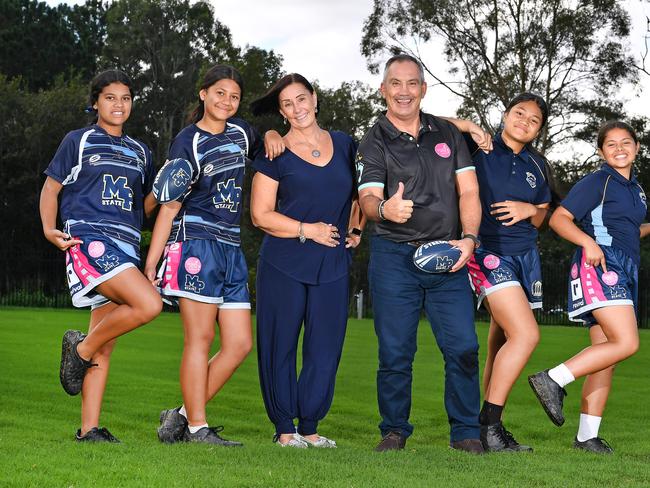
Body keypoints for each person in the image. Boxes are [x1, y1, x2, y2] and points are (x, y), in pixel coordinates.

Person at [144, 64, 283, 446]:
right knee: (201, 337)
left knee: (239, 344)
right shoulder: (187, 142)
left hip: (231, 248)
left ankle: (183, 416)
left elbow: (266, 148)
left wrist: (271, 131)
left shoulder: (241, 132)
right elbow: (169, 206)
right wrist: (152, 262)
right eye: (220, 92)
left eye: (234, 96)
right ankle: (197, 429)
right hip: (194, 245)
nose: (227, 101)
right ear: (203, 94)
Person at [357, 54, 483, 453]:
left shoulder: (448, 133)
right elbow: (367, 197)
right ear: (383, 90)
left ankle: (465, 432)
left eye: (412, 83)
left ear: (423, 89)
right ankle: (394, 431)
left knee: (463, 346)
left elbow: (469, 191)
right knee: (395, 350)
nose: (404, 91)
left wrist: (469, 239)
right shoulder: (373, 139)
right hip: (394, 257)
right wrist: (384, 210)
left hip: (448, 255)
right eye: (396, 83)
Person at [40, 69, 162, 442]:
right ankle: (80, 349)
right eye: (110, 97)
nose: (119, 104)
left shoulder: (142, 152)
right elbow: (51, 188)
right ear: (95, 102)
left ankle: (89, 429)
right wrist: (48, 228)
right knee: (149, 304)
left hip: (126, 247)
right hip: (91, 240)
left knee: (106, 342)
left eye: (125, 98)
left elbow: (144, 208)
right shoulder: (78, 141)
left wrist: (167, 189)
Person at [249, 73, 364, 448]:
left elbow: (362, 194)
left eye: (301, 99)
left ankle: (310, 428)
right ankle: (285, 429)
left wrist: (357, 229)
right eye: (287, 104)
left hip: (332, 263)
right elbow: (260, 215)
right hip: (284, 262)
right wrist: (306, 229)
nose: (297, 109)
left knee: (325, 347)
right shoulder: (275, 151)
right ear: (281, 112)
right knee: (279, 343)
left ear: (314, 99)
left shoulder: (346, 144)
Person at [529, 120, 648, 454]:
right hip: (600, 264)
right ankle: (553, 379)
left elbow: (626, 230)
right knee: (626, 342)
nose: (620, 149)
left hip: (624, 267)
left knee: (605, 359)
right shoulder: (599, 181)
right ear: (600, 151)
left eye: (627, 142)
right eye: (611, 144)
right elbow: (559, 218)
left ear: (637, 147)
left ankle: (586, 438)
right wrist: (589, 244)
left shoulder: (635, 189)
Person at [446, 93, 554, 452]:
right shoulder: (478, 146)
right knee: (526, 335)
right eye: (518, 113)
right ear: (505, 114)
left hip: (524, 256)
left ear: (538, 129)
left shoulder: (539, 166)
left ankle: (488, 425)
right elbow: (425, 122)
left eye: (533, 119)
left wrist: (529, 209)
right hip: (487, 251)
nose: (524, 120)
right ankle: (490, 428)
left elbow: (543, 215)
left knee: (504, 341)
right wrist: (468, 125)